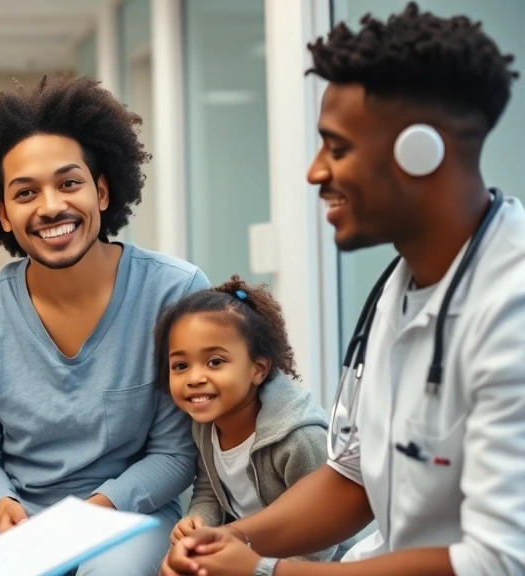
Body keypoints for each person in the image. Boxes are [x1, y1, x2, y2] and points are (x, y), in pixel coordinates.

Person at [163, 3, 524, 576]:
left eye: (337, 147)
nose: (314, 172)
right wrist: (227, 541)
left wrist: (267, 571)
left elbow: (498, 561)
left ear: (420, 151)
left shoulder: (511, 310)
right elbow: (354, 479)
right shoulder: (400, 290)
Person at [0, 74, 211, 575]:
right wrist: (3, 508)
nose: (51, 207)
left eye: (69, 183)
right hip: (17, 516)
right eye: (25, 193)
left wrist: (94, 513)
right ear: (2, 213)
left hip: (129, 512)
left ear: (103, 191)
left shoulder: (176, 292)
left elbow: (176, 453)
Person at [155, 277, 354, 564]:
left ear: (258, 369)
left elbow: (323, 533)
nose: (195, 378)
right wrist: (198, 520)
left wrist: (259, 570)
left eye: (215, 362)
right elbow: (209, 490)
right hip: (248, 557)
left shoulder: (299, 438)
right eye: (181, 366)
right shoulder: (205, 424)